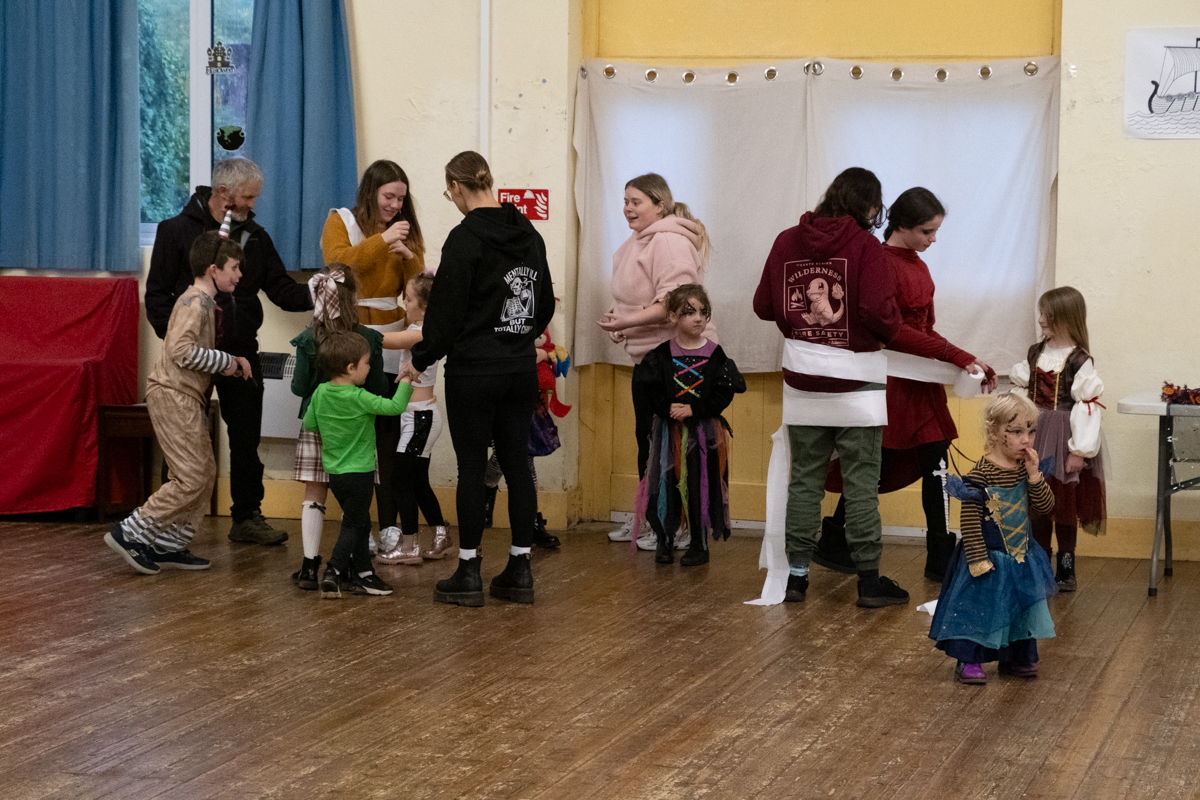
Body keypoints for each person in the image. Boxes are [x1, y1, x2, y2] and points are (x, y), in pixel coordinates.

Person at [753, 167, 975, 608]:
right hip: (856, 384)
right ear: (871, 207)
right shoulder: (866, 247)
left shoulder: (785, 241)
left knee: (804, 482)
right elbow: (882, 320)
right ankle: (868, 582)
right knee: (860, 484)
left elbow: (764, 305)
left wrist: (805, 328)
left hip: (803, 381)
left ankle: (796, 580)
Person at [815, 188, 996, 582]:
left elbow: (924, 330)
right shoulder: (879, 263)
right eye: (927, 231)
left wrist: (964, 359)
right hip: (891, 379)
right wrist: (955, 355)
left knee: (936, 464)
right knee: (876, 461)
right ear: (901, 225)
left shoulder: (920, 267)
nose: (934, 239)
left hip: (920, 381)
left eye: (936, 231)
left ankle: (939, 554)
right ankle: (836, 537)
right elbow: (894, 332)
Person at [403, 150, 555, 607]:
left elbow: (445, 312)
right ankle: (520, 570)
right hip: (519, 368)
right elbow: (544, 302)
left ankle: (468, 571)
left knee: (472, 467)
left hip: (473, 371)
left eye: (448, 192)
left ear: (456, 187)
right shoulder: (528, 232)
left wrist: (421, 356)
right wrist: (519, 338)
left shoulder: (464, 237)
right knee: (517, 464)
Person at [146, 157, 312, 546]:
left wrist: (322, 293)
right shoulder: (174, 231)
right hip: (192, 359)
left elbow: (282, 290)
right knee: (185, 438)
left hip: (241, 353)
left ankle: (247, 517)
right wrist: (179, 343)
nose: (253, 205)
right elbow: (156, 297)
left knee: (246, 438)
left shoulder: (255, 236)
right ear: (223, 193)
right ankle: (167, 522)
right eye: (248, 197)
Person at [106, 232, 253, 574]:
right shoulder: (195, 303)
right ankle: (130, 532)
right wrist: (228, 361)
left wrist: (225, 362)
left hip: (185, 395)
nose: (239, 274)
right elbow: (181, 352)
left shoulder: (202, 302)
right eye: (234, 267)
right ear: (213, 269)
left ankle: (169, 543)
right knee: (191, 477)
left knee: (203, 473)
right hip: (173, 394)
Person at [598, 173, 716, 553]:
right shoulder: (634, 243)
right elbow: (630, 299)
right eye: (625, 201)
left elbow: (676, 303)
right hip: (648, 358)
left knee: (673, 445)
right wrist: (621, 322)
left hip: (679, 359)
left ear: (660, 205)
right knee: (649, 441)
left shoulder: (668, 241)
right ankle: (651, 514)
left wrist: (627, 322)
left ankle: (675, 523)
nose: (627, 208)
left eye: (636, 202)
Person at [321, 160, 426, 550]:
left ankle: (389, 525)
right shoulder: (340, 220)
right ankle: (357, 524)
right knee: (351, 435)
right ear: (370, 192)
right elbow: (337, 266)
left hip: (390, 338)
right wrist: (381, 242)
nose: (395, 205)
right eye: (389, 197)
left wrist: (408, 254)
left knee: (387, 435)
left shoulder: (403, 229)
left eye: (400, 199)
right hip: (348, 336)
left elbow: (419, 289)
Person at [929, 392, 1057, 685]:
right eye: (1016, 432)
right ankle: (969, 659)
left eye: (1031, 432)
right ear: (995, 432)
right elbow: (970, 521)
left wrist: (1035, 476)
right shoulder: (981, 474)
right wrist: (978, 559)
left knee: (1020, 608)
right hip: (987, 556)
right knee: (979, 609)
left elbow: (1046, 507)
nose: (1026, 440)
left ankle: (1017, 656)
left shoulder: (1026, 470)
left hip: (1020, 555)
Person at [287, 264, 389, 590]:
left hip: (316, 424)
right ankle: (346, 568)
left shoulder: (308, 338)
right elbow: (379, 389)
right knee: (354, 500)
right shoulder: (367, 338)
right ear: (352, 297)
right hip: (356, 429)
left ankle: (309, 567)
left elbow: (299, 388)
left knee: (314, 493)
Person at [632, 285, 746, 566]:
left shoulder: (715, 355)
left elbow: (723, 393)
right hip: (668, 433)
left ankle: (699, 544)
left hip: (703, 434)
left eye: (703, 312)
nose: (699, 318)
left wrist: (694, 409)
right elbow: (650, 390)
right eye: (690, 312)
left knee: (699, 485)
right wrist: (668, 408)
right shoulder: (660, 355)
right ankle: (665, 540)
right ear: (672, 317)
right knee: (666, 483)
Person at [303, 331, 413, 598]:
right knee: (353, 525)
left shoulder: (320, 392)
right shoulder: (360, 397)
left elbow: (309, 424)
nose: (370, 368)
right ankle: (333, 571)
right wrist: (407, 379)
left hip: (336, 475)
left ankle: (364, 574)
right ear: (350, 368)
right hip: (360, 474)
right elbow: (395, 406)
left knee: (361, 523)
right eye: (366, 363)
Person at [1009, 286, 1105, 592]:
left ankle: (1066, 565)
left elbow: (1087, 408)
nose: (1041, 319)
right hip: (1035, 432)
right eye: (1041, 313)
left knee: (1064, 503)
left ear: (1065, 317)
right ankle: (1039, 562)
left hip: (1064, 435)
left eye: (1047, 314)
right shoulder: (1035, 353)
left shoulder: (1079, 360)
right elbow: (1021, 394)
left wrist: (1079, 451)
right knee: (1036, 501)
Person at [375, 272, 452, 565]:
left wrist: (347, 326)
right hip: (419, 417)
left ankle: (409, 546)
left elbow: (383, 340)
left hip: (420, 419)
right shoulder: (420, 328)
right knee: (418, 482)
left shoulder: (421, 332)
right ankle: (441, 537)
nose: (403, 303)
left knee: (400, 481)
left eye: (408, 299)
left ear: (424, 306)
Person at [480, 326, 570, 550]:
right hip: (504, 395)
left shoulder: (538, 321)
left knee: (525, 458)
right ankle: (487, 494)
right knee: (506, 455)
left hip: (530, 399)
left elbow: (549, 352)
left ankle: (528, 520)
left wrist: (545, 354)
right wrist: (535, 355)